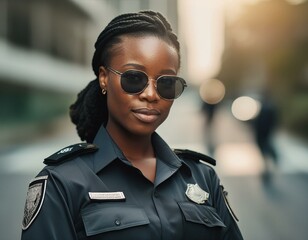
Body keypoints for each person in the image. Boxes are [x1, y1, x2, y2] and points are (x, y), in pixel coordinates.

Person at [21, 11, 243, 240]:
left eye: (167, 83)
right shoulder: (62, 183)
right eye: (134, 78)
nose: (151, 94)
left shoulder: (202, 177)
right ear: (104, 78)